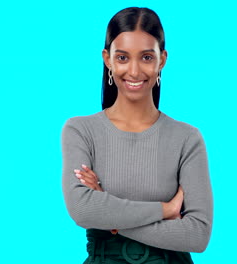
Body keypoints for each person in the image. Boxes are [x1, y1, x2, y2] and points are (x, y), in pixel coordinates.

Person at [61, 7, 213, 264]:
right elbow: (82, 209)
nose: (134, 71)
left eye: (145, 57)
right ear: (107, 59)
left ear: (161, 60)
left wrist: (112, 220)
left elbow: (197, 235)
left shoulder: (187, 138)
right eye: (122, 58)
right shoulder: (81, 131)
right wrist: (166, 210)